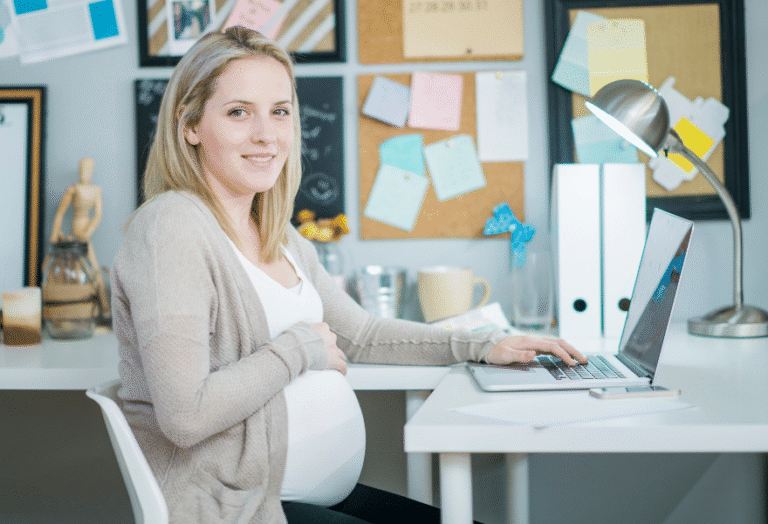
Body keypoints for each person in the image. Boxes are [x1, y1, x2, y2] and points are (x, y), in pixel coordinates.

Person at [111, 26, 587, 524]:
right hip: (240, 508)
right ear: (189, 124)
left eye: (280, 111)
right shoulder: (172, 226)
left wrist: (482, 344)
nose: (266, 135)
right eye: (238, 112)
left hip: (310, 498)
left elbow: (359, 334)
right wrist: (301, 348)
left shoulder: (278, 235)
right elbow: (185, 416)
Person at [49, 157, 110, 320]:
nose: (84, 173)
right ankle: (78, 310)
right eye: (82, 169)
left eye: (87, 170)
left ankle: (103, 308)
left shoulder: (96, 190)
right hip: (75, 232)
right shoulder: (73, 190)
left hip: (84, 232)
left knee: (92, 268)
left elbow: (98, 214)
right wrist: (54, 234)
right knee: (76, 269)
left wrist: (88, 231)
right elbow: (60, 213)